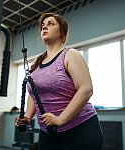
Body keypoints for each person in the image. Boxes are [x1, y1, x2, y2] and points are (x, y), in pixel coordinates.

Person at [15, 12, 103, 150]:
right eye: (43, 26)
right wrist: (27, 116)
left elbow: (86, 89)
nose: (44, 27)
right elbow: (34, 93)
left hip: (79, 129)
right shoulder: (36, 63)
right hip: (48, 132)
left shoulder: (70, 55)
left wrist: (61, 119)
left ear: (62, 32)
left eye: (50, 24)